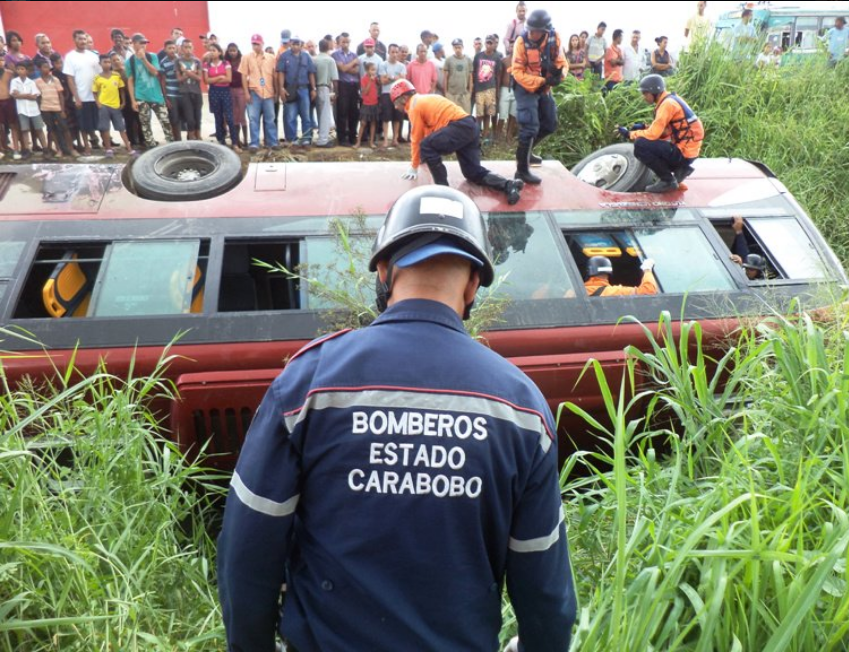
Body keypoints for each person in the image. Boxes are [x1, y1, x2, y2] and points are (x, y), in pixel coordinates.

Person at [217, 183, 577, 652]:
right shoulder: (521, 407)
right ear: (472, 286)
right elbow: (544, 584)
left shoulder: (310, 382)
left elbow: (247, 549)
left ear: (384, 271)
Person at [391, 79, 523, 205]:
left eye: (395, 102)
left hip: (459, 127)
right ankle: (508, 186)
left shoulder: (414, 106)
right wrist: (424, 158)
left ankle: (443, 190)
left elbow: (417, 139)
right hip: (470, 126)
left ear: (403, 98)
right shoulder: (424, 100)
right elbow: (429, 132)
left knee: (426, 145)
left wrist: (414, 166)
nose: (396, 107)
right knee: (472, 173)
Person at [511, 9, 568, 185]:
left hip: (544, 87)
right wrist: (542, 81)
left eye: (535, 30)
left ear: (544, 31)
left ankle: (527, 152)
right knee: (529, 126)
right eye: (530, 29)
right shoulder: (521, 42)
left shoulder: (555, 38)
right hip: (525, 87)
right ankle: (521, 171)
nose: (531, 33)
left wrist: (560, 76)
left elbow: (562, 62)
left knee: (550, 124)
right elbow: (517, 72)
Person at [621, 73, 704, 193]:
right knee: (649, 143)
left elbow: (653, 134)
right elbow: (665, 131)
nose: (643, 97)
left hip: (684, 153)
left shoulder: (667, 105)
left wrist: (629, 134)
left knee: (640, 145)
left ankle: (668, 181)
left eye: (645, 93)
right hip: (688, 153)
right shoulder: (671, 99)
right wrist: (644, 127)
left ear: (654, 92)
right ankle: (679, 171)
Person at [125, 33, 174, 149]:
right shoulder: (129, 61)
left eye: (145, 43)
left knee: (165, 121)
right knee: (145, 124)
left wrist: (144, 59)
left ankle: (171, 145)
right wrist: (133, 100)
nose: (144, 45)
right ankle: (150, 147)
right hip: (141, 96)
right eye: (141, 43)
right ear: (134, 44)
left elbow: (155, 72)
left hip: (156, 96)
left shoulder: (152, 56)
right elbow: (130, 81)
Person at [239, 34, 279, 153]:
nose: (255, 46)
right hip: (254, 92)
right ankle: (254, 143)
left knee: (270, 119)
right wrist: (246, 93)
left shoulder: (271, 58)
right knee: (253, 119)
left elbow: (275, 76)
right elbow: (243, 75)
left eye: (257, 43)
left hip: (268, 92)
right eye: (253, 44)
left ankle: (272, 142)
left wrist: (276, 92)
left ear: (262, 44)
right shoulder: (246, 57)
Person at [93, 54, 135, 156]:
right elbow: (94, 92)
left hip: (116, 106)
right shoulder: (97, 78)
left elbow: (121, 90)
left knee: (121, 128)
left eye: (108, 62)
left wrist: (123, 102)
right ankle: (108, 149)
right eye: (105, 62)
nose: (107, 64)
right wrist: (98, 104)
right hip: (104, 106)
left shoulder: (116, 75)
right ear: (100, 64)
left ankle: (129, 148)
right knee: (105, 128)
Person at [205, 43, 242, 152]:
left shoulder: (226, 63)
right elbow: (206, 81)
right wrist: (220, 77)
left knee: (230, 118)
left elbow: (228, 79)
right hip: (214, 92)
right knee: (218, 117)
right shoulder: (206, 65)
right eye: (210, 50)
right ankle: (221, 142)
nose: (212, 52)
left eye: (214, 50)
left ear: (220, 52)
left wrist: (215, 79)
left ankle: (235, 143)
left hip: (225, 91)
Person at [584, 256, 658, 296]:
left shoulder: (574, 293)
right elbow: (648, 291)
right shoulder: (613, 291)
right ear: (609, 273)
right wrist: (647, 270)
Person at [175, 39, 203, 141]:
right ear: (182, 49)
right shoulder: (178, 61)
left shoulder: (197, 61)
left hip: (197, 92)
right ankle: (191, 137)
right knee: (190, 118)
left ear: (193, 48)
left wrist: (186, 72)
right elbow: (179, 79)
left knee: (198, 116)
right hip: (185, 92)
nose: (188, 50)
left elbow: (199, 78)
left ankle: (198, 136)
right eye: (185, 47)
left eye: (190, 47)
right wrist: (192, 73)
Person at [443, 39, 472, 113]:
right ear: (453, 48)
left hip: (464, 95)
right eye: (455, 48)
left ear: (463, 47)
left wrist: (470, 93)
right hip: (451, 95)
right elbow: (445, 77)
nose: (457, 49)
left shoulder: (468, 60)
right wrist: (446, 93)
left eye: (459, 47)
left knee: (465, 117)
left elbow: (470, 77)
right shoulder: (449, 60)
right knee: (451, 117)